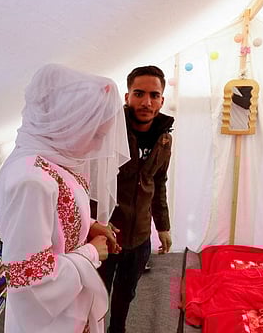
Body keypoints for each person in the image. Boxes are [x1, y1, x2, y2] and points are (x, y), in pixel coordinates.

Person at [0, 64, 130, 333]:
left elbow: (55, 214)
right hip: (48, 321)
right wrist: (92, 252)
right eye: (96, 135)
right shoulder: (31, 179)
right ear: (68, 123)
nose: (97, 146)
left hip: (70, 306)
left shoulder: (52, 161)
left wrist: (88, 225)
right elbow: (29, 277)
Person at [96, 65, 174, 333]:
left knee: (125, 294)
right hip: (105, 233)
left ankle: (117, 329)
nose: (147, 102)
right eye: (139, 93)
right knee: (95, 295)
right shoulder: (108, 132)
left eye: (154, 95)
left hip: (140, 237)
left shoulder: (165, 138)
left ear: (162, 100)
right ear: (127, 96)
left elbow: (158, 182)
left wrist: (162, 226)